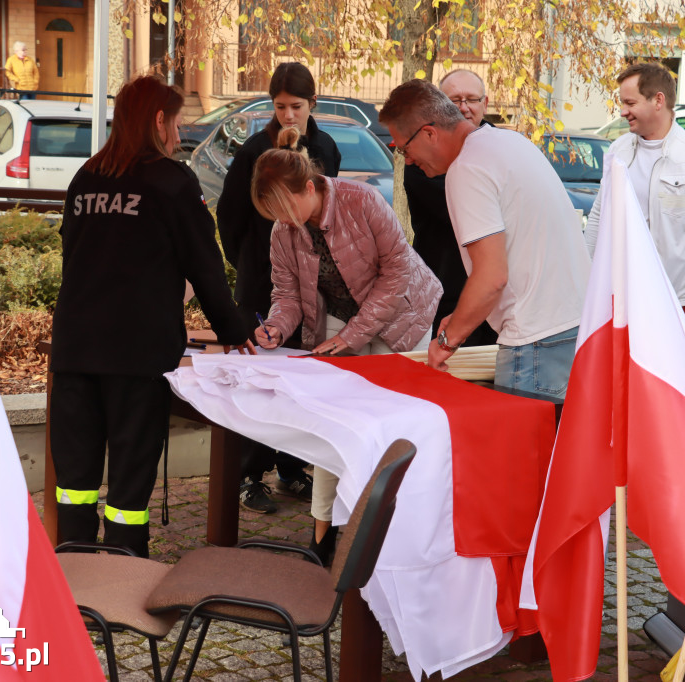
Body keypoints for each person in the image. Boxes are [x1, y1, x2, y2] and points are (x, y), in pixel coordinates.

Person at [50, 75, 255, 558]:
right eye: (178, 120)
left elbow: (72, 257)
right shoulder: (172, 181)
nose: (179, 132)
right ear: (158, 120)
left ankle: (76, 583)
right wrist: (236, 334)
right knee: (128, 486)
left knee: (74, 482)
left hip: (76, 349)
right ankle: (122, 581)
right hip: (136, 356)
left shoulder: (86, 178)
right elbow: (205, 268)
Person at [252, 126, 442, 562]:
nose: (284, 221)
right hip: (342, 319)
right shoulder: (283, 230)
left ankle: (397, 538)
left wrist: (349, 337)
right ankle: (322, 538)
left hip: (404, 317)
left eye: (286, 208)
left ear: (309, 187)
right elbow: (286, 295)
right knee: (333, 426)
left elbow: (396, 273)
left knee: (394, 431)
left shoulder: (362, 200)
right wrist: (277, 329)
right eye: (273, 214)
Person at [379, 79, 590, 399]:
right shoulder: (509, 142)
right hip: (574, 327)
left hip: (535, 341)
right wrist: (464, 316)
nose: (407, 160)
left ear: (429, 133)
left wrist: (448, 340)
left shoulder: (467, 169)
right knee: (556, 446)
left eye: (404, 149)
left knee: (520, 449)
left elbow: (491, 277)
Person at [217, 62, 342, 515]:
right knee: (259, 380)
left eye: (297, 106)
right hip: (261, 286)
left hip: (313, 287)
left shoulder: (326, 147)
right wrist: (250, 266)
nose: (288, 115)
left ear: (314, 103)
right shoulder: (254, 149)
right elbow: (229, 216)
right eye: (280, 107)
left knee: (303, 381)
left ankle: (291, 469)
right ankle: (249, 476)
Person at [585, 62, 685, 330]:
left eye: (630, 103)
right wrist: (586, 282)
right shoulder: (618, 150)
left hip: (675, 302)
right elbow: (599, 217)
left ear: (658, 100)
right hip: (620, 297)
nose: (623, 111)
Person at [402, 69, 497, 345]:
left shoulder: (504, 149)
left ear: (486, 104)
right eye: (454, 100)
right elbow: (463, 211)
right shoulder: (421, 154)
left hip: (496, 298)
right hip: (443, 292)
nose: (464, 108)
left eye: (471, 99)